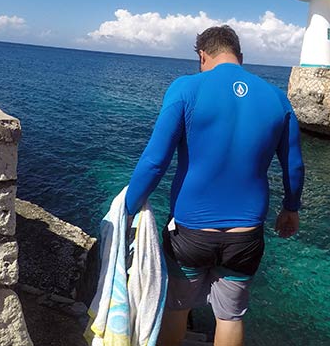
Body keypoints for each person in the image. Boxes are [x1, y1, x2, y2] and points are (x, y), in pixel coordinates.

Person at [124, 25, 304, 346]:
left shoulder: (186, 88)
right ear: (240, 56)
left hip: (190, 234)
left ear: (202, 55)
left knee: (177, 309)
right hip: (245, 236)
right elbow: (293, 165)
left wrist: (127, 208)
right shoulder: (277, 98)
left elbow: (155, 161)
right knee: (230, 318)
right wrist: (291, 209)